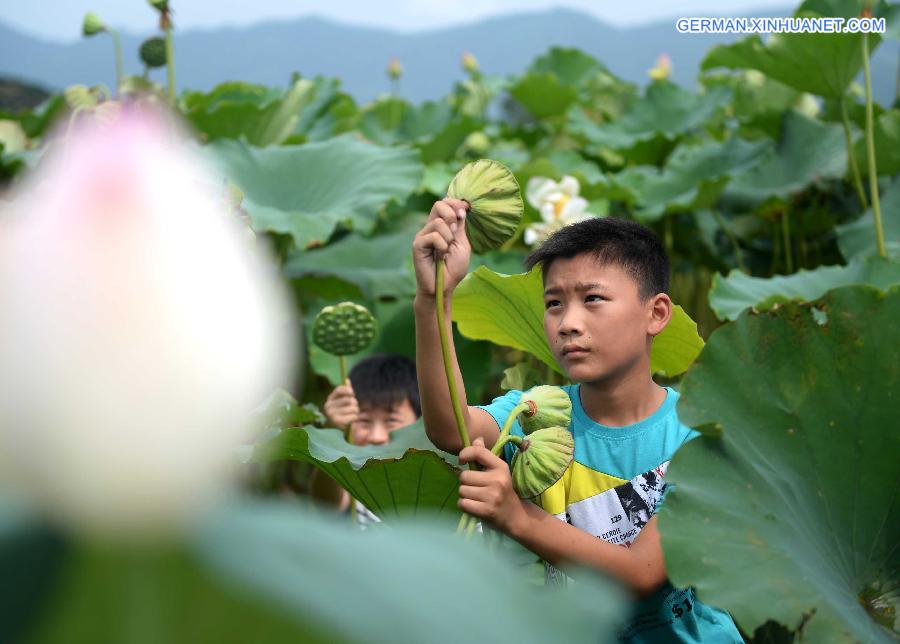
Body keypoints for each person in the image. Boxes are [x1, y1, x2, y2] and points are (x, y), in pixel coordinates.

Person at [412, 199, 742, 642]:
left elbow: (642, 575)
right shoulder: (539, 413)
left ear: (656, 313)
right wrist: (434, 299)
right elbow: (452, 430)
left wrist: (518, 517)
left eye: (593, 299)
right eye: (553, 303)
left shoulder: (697, 433)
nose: (568, 322)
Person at [311, 354, 420, 527]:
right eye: (364, 421)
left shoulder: (445, 483)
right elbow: (326, 505)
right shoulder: (351, 485)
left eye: (391, 421)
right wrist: (332, 432)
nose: (376, 437)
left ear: (420, 422)